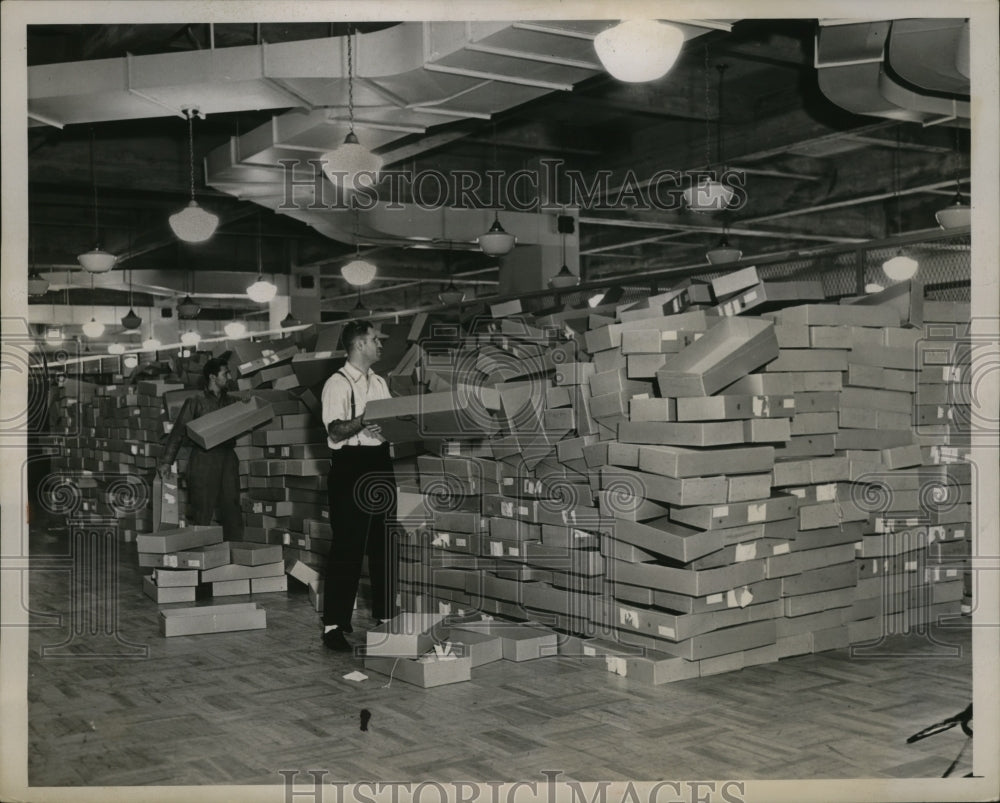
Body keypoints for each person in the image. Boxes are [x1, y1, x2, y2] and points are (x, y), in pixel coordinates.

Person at [320, 321, 398, 652]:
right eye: (374, 340)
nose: (380, 345)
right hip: (351, 466)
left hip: (380, 463)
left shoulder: (379, 381)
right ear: (358, 345)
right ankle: (334, 625)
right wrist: (364, 420)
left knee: (385, 542)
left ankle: (386, 616)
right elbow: (335, 431)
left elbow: (390, 423)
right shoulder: (336, 384)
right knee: (348, 546)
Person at [157, 356, 244, 541]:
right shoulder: (195, 402)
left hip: (228, 458)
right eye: (225, 373)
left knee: (232, 508)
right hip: (204, 459)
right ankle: (200, 556)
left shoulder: (233, 402)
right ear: (213, 377)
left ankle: (236, 556)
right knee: (202, 509)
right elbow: (178, 432)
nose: (229, 376)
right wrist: (167, 461)